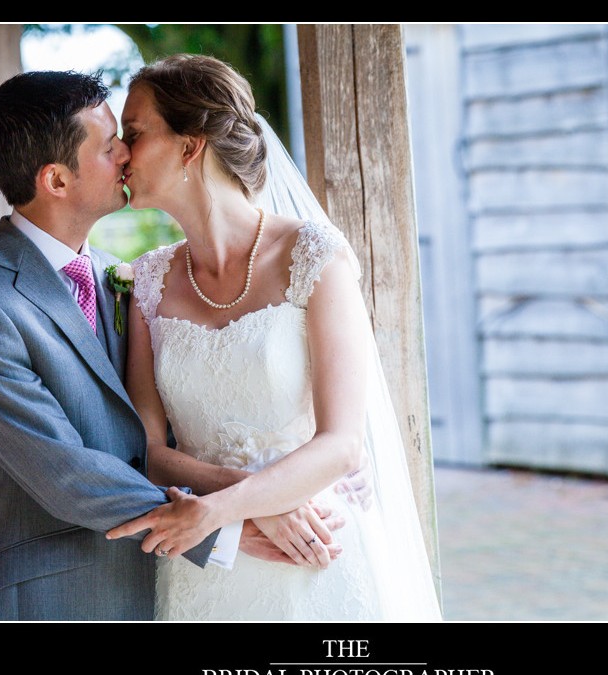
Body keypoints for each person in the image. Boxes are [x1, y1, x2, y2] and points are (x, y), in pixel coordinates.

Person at [0, 70, 341, 621]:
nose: (126, 153)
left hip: (163, 589)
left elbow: (158, 433)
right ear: (56, 180)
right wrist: (227, 524)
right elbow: (63, 470)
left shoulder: (123, 281)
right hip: (52, 598)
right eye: (108, 144)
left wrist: (261, 491)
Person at [106, 54, 443, 621]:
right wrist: (246, 504)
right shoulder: (145, 283)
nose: (120, 152)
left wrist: (222, 509)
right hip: (209, 564)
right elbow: (151, 452)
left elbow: (342, 444)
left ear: (191, 147)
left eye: (134, 133)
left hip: (315, 544)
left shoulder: (314, 256)